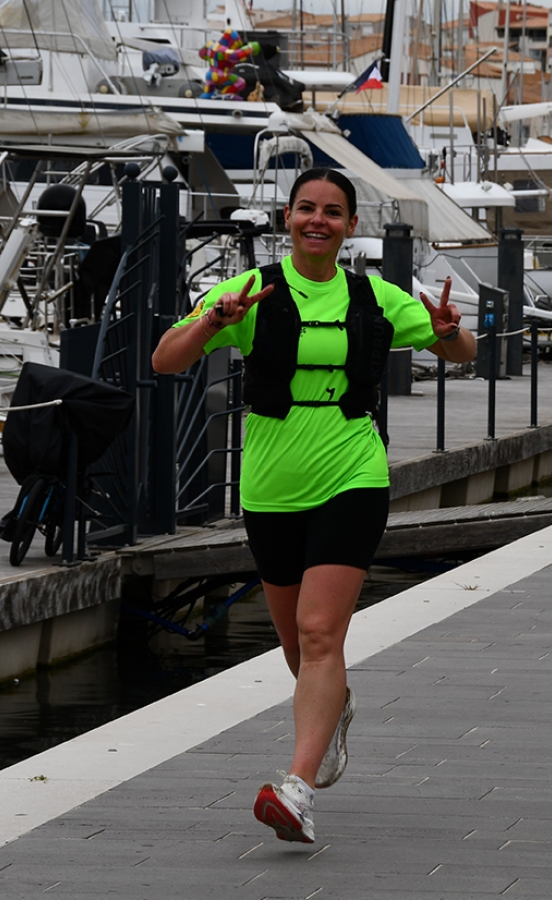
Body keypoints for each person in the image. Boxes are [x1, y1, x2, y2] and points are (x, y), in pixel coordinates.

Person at [151, 168, 476, 844]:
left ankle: (295, 788)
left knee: (323, 631)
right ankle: (334, 712)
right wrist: (214, 320)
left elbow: (462, 351)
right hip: (270, 484)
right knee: (298, 644)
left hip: (350, 472)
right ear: (288, 218)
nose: (317, 221)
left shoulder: (376, 294)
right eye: (306, 210)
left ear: (350, 225)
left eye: (332, 212)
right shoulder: (248, 292)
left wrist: (449, 330)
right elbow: (166, 360)